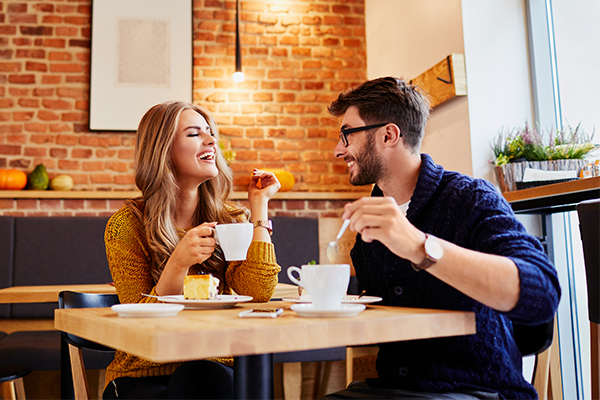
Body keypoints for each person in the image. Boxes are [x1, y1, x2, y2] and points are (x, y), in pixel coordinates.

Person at [325, 77, 560, 399]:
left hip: (478, 390)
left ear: (388, 134)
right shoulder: (371, 220)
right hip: (396, 389)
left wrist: (420, 246)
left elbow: (542, 295)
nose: (338, 150)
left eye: (346, 134)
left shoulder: (470, 198)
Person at [102, 101, 281, 399]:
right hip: (145, 373)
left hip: (214, 366)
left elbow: (258, 291)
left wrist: (259, 205)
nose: (211, 140)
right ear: (163, 150)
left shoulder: (231, 219)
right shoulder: (127, 225)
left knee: (203, 374)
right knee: (200, 378)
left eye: (210, 133)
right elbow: (140, 329)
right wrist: (178, 263)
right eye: (194, 134)